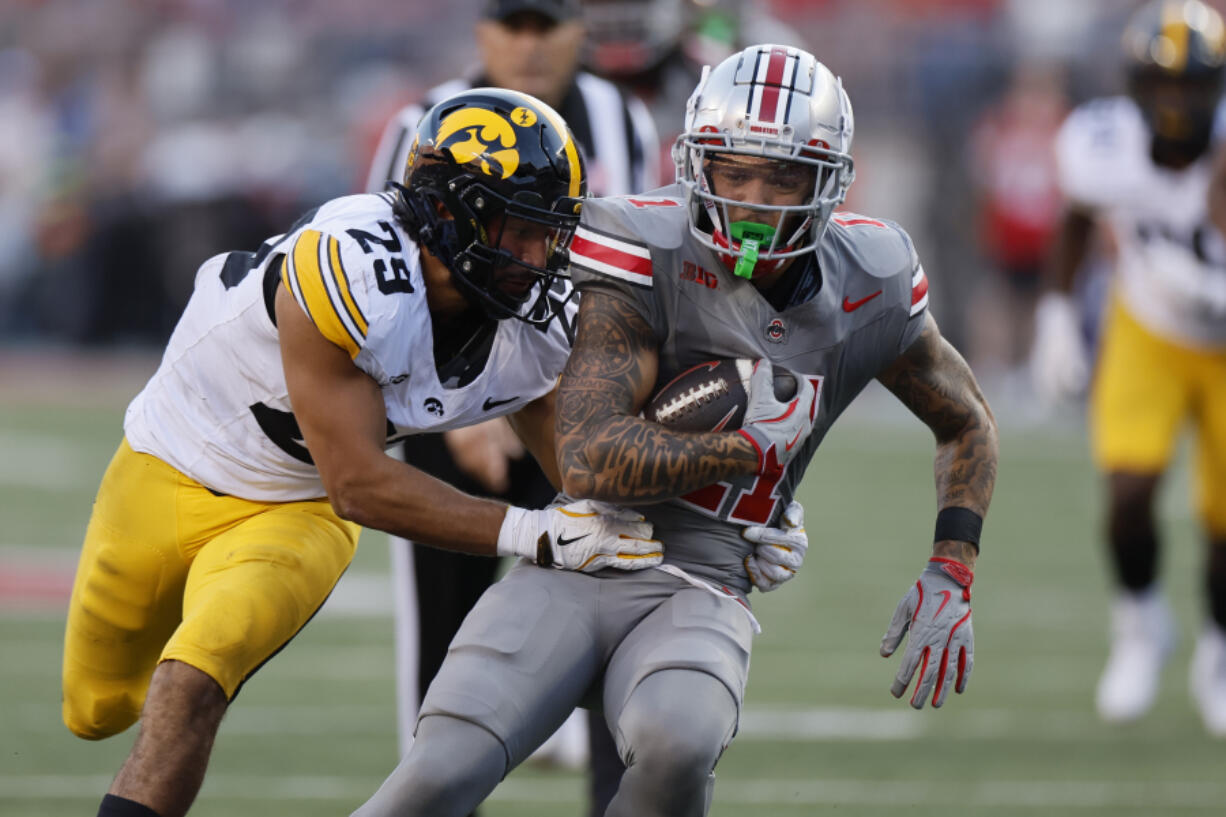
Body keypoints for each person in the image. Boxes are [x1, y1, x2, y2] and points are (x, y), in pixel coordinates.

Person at [351, 44, 998, 817]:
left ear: (829, 180)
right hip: (584, 554)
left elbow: (966, 421)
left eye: (784, 175)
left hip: (702, 580)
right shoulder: (640, 245)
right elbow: (589, 458)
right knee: (436, 773)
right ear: (699, 165)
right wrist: (747, 458)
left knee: (679, 742)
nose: (756, 198)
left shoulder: (873, 278)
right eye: (735, 171)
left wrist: (951, 566)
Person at [60, 88, 665, 817]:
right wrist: (531, 532)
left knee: (192, 682)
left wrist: (738, 512)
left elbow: (585, 472)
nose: (537, 259)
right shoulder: (354, 264)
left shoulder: (528, 327)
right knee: (92, 706)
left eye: (550, 234)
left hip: (296, 509)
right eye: (516, 229)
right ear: (449, 209)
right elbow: (362, 482)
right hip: (169, 460)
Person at [362, 0, 665, 789]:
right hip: (447, 403)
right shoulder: (420, 124)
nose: (529, 46)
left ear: (581, 31)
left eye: (548, 25)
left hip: (583, 398)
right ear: (481, 31)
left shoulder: (622, 120)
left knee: (616, 602)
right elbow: (385, 285)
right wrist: (463, 410)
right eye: (513, 24)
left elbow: (638, 273)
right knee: (444, 632)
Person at [1030, 0, 1226, 736]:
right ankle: (1141, 625)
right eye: (1163, 85)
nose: (1176, 102)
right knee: (1130, 488)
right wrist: (1054, 318)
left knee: (1224, 524)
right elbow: (1078, 217)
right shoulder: (1102, 139)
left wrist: (1208, 282)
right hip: (1148, 331)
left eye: (1193, 86)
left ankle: (1218, 649)